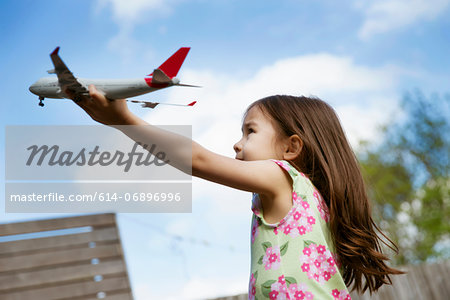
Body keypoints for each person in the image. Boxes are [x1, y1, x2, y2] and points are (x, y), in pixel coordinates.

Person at [69, 86, 403, 299]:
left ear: (292, 147)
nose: (237, 143)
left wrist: (124, 120)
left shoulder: (282, 177)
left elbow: (197, 159)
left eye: (250, 131)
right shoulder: (316, 202)